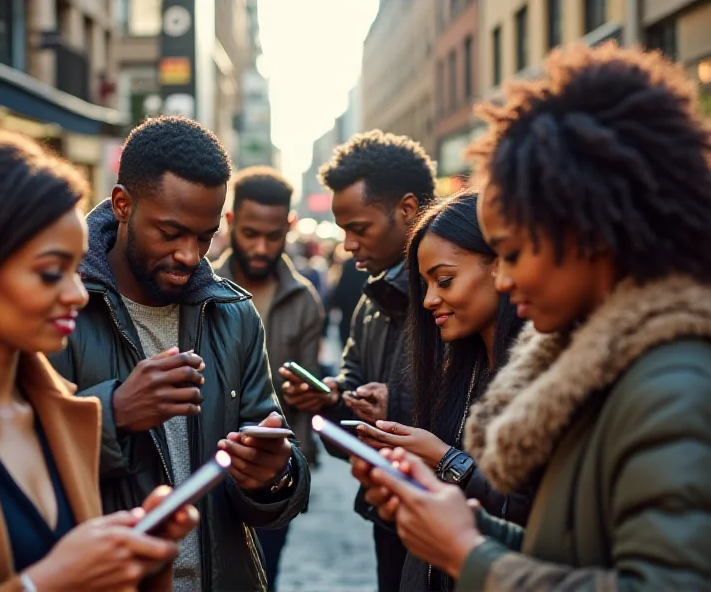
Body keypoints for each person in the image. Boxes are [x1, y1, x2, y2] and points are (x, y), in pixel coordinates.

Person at [352, 43, 711, 590]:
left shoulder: (673, 383)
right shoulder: (599, 368)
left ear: (588, 230)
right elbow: (575, 554)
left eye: (514, 253)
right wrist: (460, 526)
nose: (503, 278)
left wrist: (467, 551)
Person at [0, 127, 198, 590]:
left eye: (77, 268)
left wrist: (135, 561)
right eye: (50, 273)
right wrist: (44, 584)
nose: (77, 294)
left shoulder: (65, 417)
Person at [48, 116, 311, 592]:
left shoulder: (235, 315)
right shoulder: (62, 309)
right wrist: (113, 413)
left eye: (205, 236)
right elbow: (21, 467)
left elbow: (271, 492)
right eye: (171, 232)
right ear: (123, 205)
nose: (190, 255)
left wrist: (274, 476)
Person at [280, 130, 437, 591]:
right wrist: (331, 399)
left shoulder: (454, 296)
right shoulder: (370, 303)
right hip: (388, 513)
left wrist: (398, 405)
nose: (348, 245)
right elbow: (350, 411)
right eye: (344, 229)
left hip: (451, 510)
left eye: (359, 228)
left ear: (407, 210)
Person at [352, 193, 531, 590]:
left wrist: (446, 460)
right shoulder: (451, 367)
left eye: (444, 279)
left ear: (499, 267)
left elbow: (532, 517)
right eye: (425, 284)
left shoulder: (540, 381)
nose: (431, 299)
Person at [212, 166, 324, 590]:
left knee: (263, 580)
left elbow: (310, 382)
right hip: (213, 466)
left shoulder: (304, 300)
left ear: (289, 227)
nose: (260, 247)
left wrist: (313, 392)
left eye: (273, 236)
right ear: (231, 222)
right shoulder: (202, 287)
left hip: (276, 473)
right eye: (251, 233)